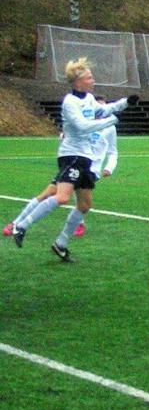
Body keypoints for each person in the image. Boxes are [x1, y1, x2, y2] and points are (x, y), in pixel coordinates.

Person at [10, 58, 135, 261]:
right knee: (62, 197)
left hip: (85, 158)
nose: (93, 80)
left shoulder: (88, 98)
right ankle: (21, 226)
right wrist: (111, 121)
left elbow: (103, 110)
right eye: (89, 77)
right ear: (78, 82)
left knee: (85, 205)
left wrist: (125, 103)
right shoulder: (70, 102)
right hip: (72, 155)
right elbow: (83, 126)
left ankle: (61, 243)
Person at [5, 95, 119, 240]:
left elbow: (113, 151)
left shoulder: (109, 128)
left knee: (74, 199)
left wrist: (110, 167)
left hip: (91, 170)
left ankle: (20, 225)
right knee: (51, 194)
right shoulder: (79, 124)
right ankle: (17, 224)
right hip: (74, 164)